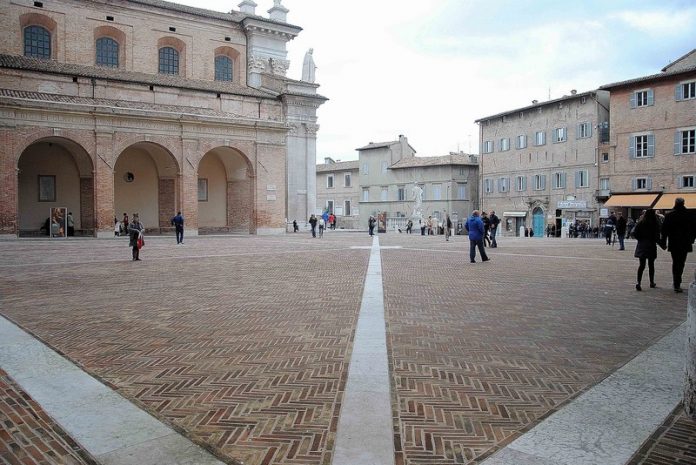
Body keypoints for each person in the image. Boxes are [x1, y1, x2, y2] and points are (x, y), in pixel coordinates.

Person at [661, 197, 696, 293]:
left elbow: (664, 231)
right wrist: (692, 240)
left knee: (675, 262)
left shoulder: (670, 215)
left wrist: (663, 242)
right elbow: (694, 229)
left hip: (674, 242)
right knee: (681, 263)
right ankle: (677, 282)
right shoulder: (689, 214)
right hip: (685, 243)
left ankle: (676, 282)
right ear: (683, 203)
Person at [633, 209, 661, 291]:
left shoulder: (641, 223)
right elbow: (657, 235)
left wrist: (640, 239)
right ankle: (651, 282)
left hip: (642, 245)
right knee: (651, 265)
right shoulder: (655, 224)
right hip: (651, 245)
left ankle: (638, 282)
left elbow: (635, 233)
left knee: (642, 265)